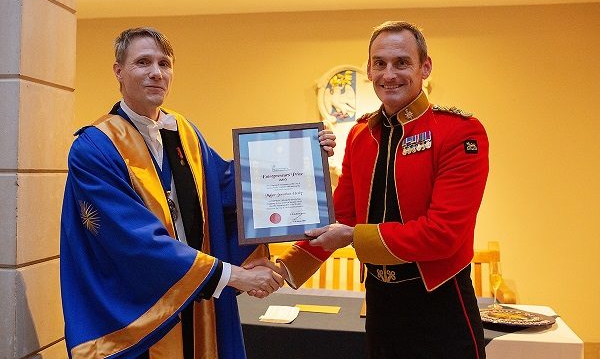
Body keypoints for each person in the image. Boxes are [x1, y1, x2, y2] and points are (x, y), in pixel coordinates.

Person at [60, 27, 334, 359]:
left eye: (164, 63)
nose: (156, 72)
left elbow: (229, 189)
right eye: (143, 62)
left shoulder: (184, 133)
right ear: (118, 71)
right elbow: (134, 239)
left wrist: (305, 157)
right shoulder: (94, 148)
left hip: (196, 302)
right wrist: (233, 275)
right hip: (141, 313)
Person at [271, 21, 489, 358]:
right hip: (380, 302)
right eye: (380, 63)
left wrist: (353, 237)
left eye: (402, 62)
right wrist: (284, 268)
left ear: (425, 67)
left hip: (441, 304)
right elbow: (341, 215)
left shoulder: (459, 132)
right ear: (369, 71)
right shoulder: (361, 135)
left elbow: (443, 234)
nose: (389, 74)